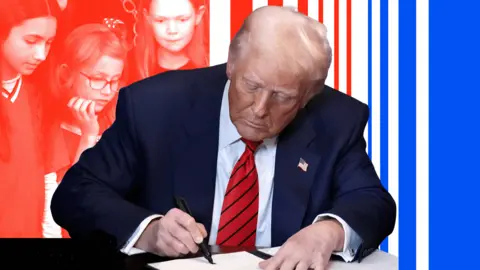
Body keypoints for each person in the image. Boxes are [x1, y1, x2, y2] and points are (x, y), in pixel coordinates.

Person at [51, 6, 396, 269]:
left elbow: (372, 202)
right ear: (231, 62)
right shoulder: (155, 107)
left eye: (283, 97)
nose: (260, 109)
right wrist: (149, 230)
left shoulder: (337, 118)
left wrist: (328, 233)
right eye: (251, 86)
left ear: (309, 95)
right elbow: (75, 194)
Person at [45, 23, 128, 238]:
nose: (108, 90)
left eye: (115, 80)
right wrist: (88, 136)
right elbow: (71, 203)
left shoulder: (120, 126)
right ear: (67, 74)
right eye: (98, 79)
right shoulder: (51, 133)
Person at [0, 0, 63, 237]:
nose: (41, 55)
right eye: (31, 41)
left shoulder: (40, 97)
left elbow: (50, 182)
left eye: (48, 43)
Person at [130, 0, 208, 83]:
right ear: (147, 17)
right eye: (160, 20)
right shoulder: (129, 68)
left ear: (199, 15)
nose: (172, 30)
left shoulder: (216, 62)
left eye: (182, 20)